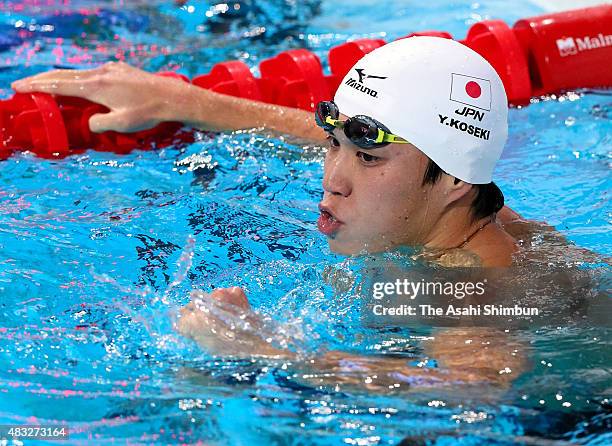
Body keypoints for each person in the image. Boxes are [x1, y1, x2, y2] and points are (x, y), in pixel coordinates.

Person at [12, 37, 530, 388]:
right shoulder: (455, 199)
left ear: (455, 180)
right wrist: (181, 99)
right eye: (333, 144)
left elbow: (474, 392)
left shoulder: (470, 288)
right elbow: (358, 138)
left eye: (367, 159)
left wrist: (270, 351)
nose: (332, 180)